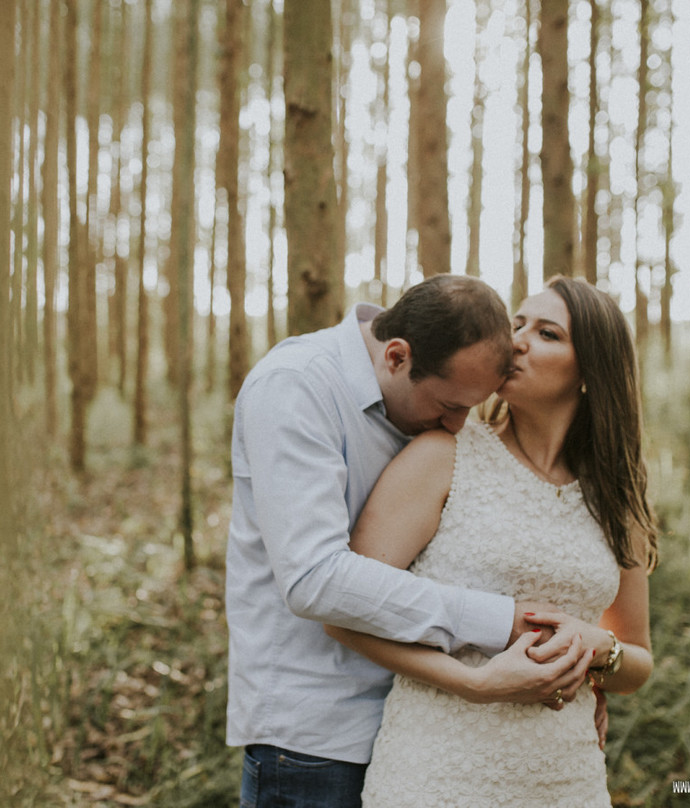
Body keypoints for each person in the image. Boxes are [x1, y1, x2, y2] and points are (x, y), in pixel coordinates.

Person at [226, 275, 595, 808]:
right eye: (448, 405)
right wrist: (501, 621)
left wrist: (578, 674)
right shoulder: (296, 387)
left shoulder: (437, 372)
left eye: (472, 406)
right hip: (316, 737)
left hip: (422, 731)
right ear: (396, 356)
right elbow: (314, 580)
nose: (457, 424)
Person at [326, 275, 659, 807]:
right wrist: (469, 682)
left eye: (547, 333)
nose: (517, 342)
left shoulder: (617, 493)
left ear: (590, 372)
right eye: (517, 324)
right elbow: (343, 612)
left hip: (566, 780)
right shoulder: (442, 456)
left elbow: (637, 662)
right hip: (438, 772)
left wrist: (600, 648)